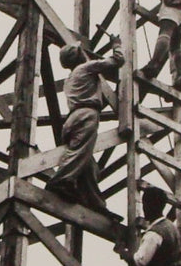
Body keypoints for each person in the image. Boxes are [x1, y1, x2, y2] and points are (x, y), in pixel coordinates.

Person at [46, 36, 124, 213]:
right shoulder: (86, 68)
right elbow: (118, 61)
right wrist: (116, 45)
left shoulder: (71, 79)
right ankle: (60, 181)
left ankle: (96, 203)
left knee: (88, 165)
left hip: (73, 118)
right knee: (79, 153)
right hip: (86, 116)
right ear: (78, 55)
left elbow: (91, 98)